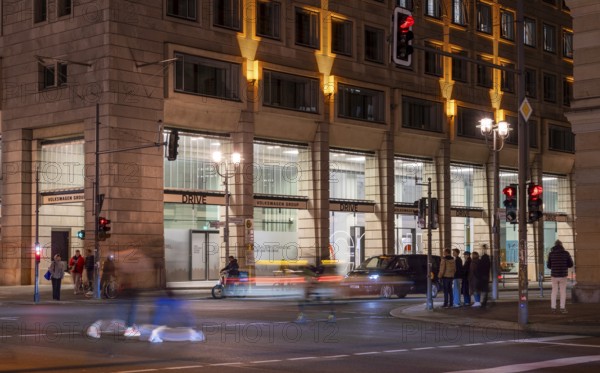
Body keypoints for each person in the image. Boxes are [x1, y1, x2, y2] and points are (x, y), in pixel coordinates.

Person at [547, 239, 573, 313]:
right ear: (561, 245)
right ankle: (562, 308)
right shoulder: (566, 253)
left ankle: (553, 308)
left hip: (554, 275)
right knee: (563, 292)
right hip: (563, 275)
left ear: (555, 245)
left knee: (554, 291)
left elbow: (549, 266)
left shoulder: (551, 254)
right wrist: (564, 264)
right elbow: (571, 264)